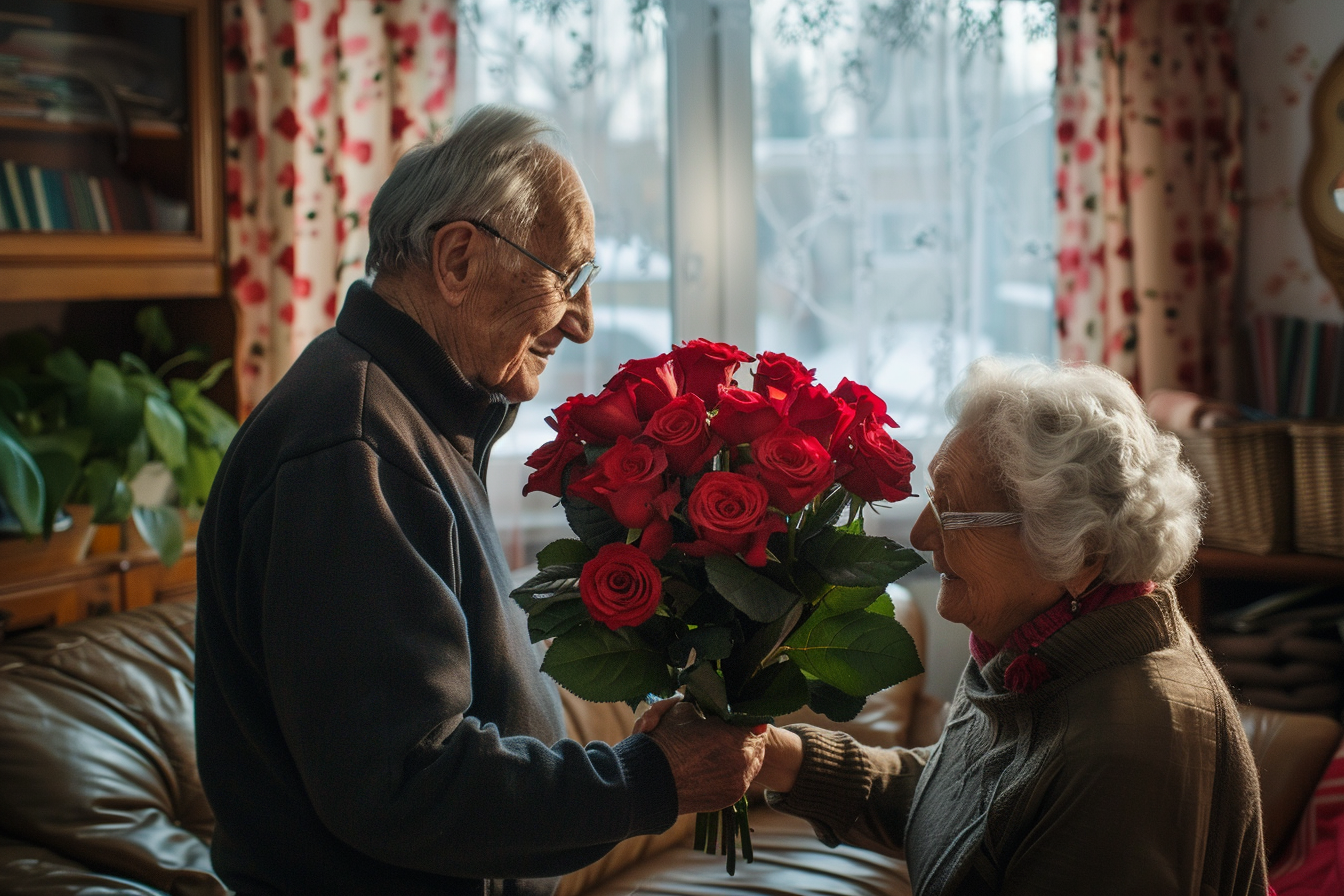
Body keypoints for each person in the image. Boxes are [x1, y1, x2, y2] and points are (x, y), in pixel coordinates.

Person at [194, 105, 763, 896]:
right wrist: (648, 779)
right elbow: (405, 780)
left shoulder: (404, 415)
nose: (585, 322)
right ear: (457, 258)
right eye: (570, 278)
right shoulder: (353, 446)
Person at [641, 358, 1269, 894]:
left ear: (1081, 549)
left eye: (955, 511)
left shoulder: (1123, 749)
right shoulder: (1039, 643)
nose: (920, 533)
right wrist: (774, 756)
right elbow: (968, 812)